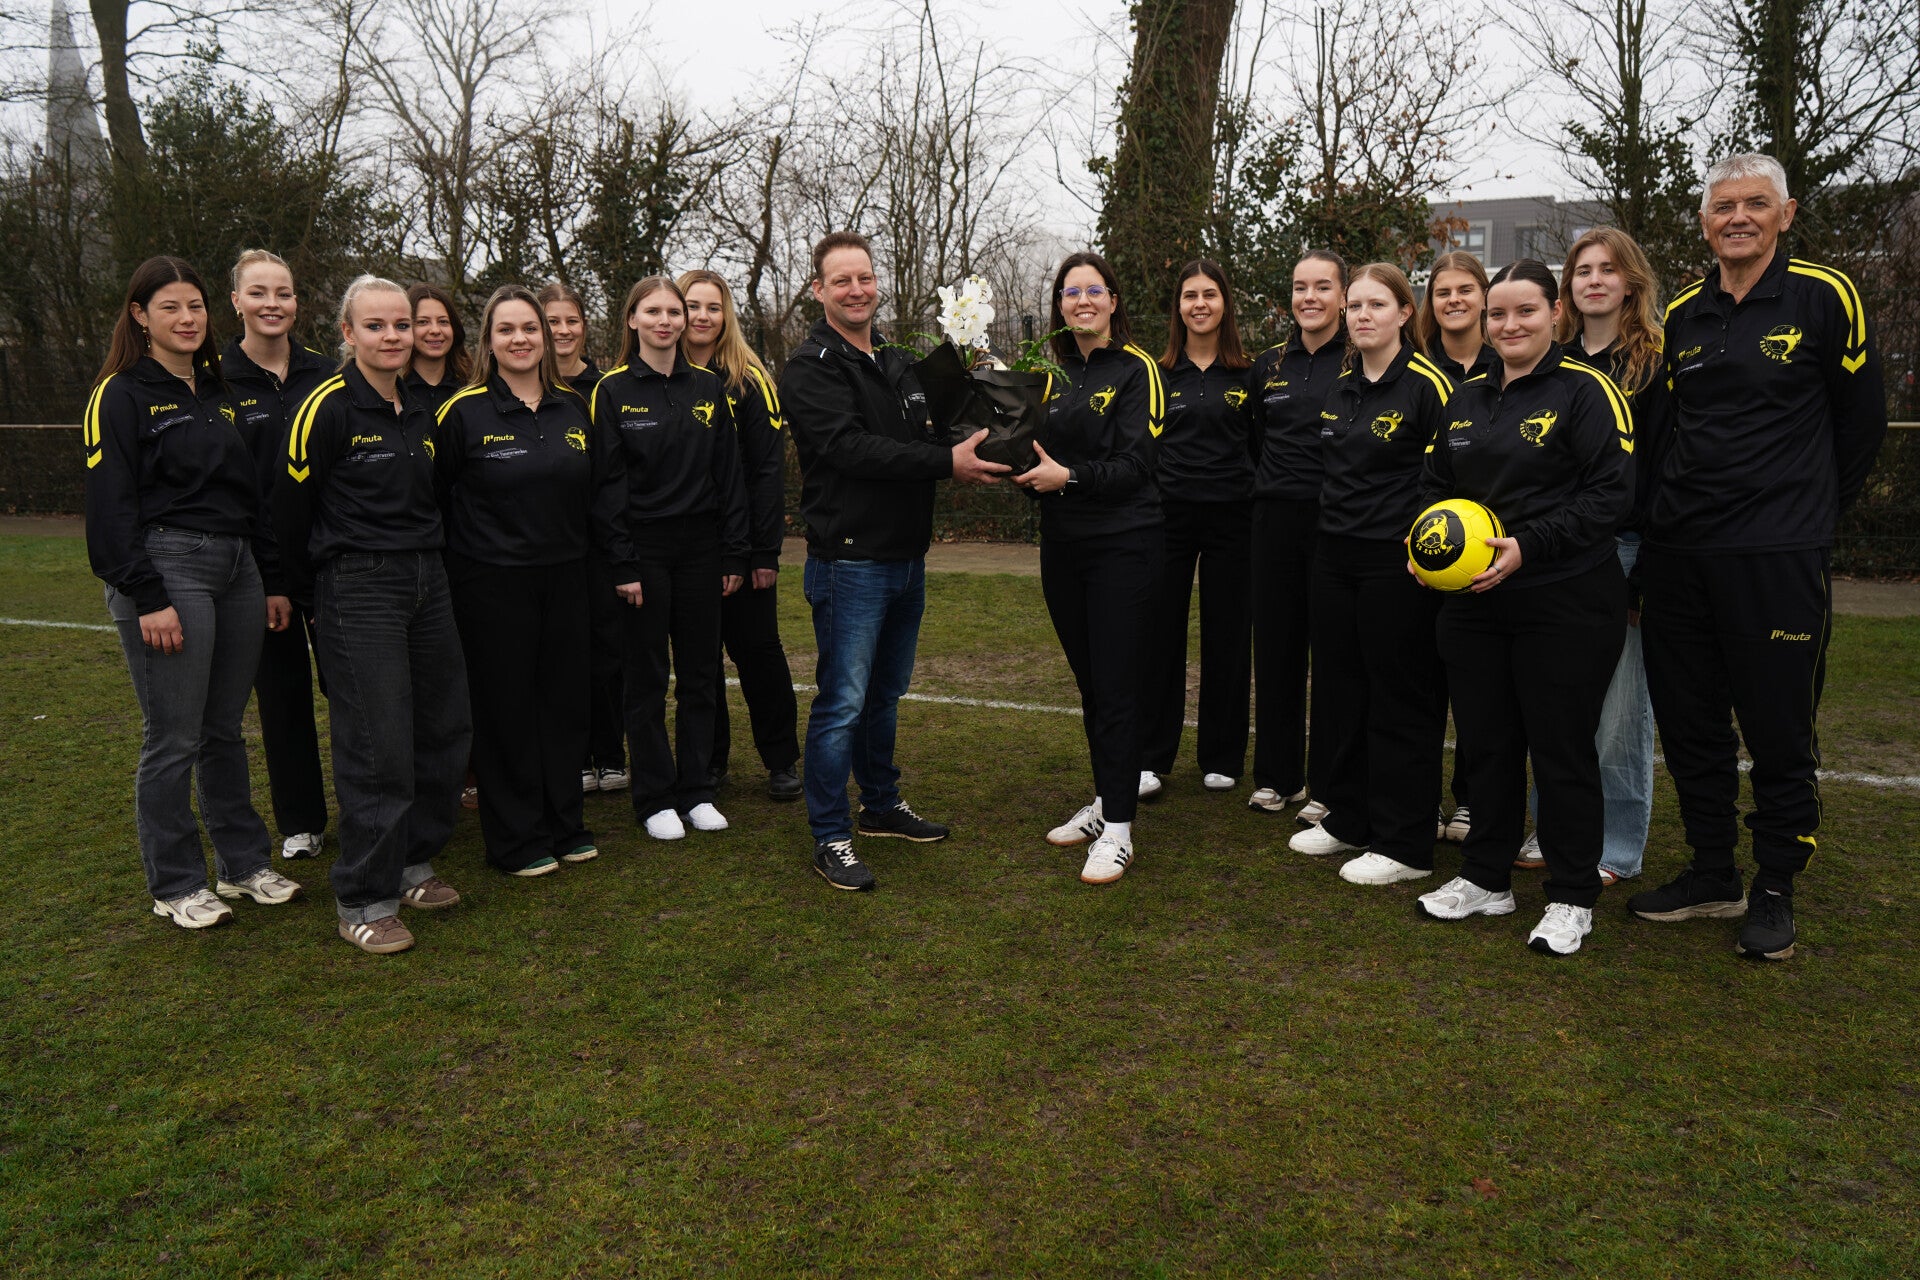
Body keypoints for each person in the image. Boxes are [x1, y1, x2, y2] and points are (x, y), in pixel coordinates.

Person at [1627, 153, 1887, 960]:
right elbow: (1665, 435)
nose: (1737, 217)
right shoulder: (1683, 311)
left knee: (1778, 727)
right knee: (1691, 723)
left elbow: (1862, 422)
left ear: (1786, 213)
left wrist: (1807, 514)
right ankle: (1713, 870)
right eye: (1723, 206)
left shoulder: (1825, 295)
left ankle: (1775, 884)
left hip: (1777, 554)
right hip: (1681, 554)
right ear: (1704, 222)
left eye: (1755, 204)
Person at [1412, 259, 1635, 956]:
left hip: (1565, 598)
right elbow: (1432, 485)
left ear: (1555, 312)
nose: (1509, 325)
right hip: (1475, 603)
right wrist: (1427, 547)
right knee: (1487, 743)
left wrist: (1529, 546)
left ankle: (1572, 895)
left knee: (1561, 747)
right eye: (1498, 314)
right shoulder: (1465, 398)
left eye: (1525, 311)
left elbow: (1610, 494)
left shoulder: (1587, 391)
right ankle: (1486, 877)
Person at [779, 230, 1011, 891]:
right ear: (819, 290)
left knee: (884, 694)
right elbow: (851, 449)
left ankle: (880, 804)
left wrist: (991, 405)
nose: (856, 290)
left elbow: (937, 428)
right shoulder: (810, 367)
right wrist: (945, 462)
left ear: (877, 284)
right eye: (841, 280)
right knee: (842, 704)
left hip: (907, 558)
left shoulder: (896, 359)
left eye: (865, 277)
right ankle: (830, 835)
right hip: (850, 562)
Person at [84, 255, 304, 928]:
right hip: (168, 567)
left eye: (196, 306)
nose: (187, 319)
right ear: (139, 315)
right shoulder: (120, 393)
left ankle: (242, 865)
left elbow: (252, 496)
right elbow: (109, 506)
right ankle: (176, 884)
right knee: (173, 736)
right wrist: (147, 596)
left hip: (239, 569)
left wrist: (270, 579)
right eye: (170, 307)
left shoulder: (218, 389)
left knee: (223, 730)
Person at [277, 275, 471, 955]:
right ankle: (363, 897)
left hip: (428, 578)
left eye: (401, 325)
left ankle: (413, 860)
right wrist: (310, 598)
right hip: (356, 587)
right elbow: (289, 514)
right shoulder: (325, 407)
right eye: (376, 325)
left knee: (444, 728)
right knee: (376, 743)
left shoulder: (420, 407)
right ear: (348, 333)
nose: (393, 336)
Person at [435, 285, 635, 877]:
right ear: (489, 342)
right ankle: (516, 839)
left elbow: (600, 496)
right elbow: (435, 502)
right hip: (491, 585)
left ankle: (565, 825)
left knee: (564, 706)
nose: (519, 339)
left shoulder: (575, 406)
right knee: (507, 712)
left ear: (545, 339)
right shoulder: (462, 412)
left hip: (568, 580)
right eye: (506, 329)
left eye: (529, 328)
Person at [1506, 228, 1675, 886]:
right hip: (1554, 551)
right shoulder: (1557, 362)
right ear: (1567, 287)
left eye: (1608, 269)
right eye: (1582, 270)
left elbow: (1664, 471)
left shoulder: (1655, 365)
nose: (1595, 280)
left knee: (1620, 712)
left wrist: (1646, 571)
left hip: (1624, 550)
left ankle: (1616, 845)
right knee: (1558, 705)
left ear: (1631, 282)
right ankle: (1556, 827)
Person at [1287, 263, 1452, 886]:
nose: (1361, 315)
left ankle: (1405, 841)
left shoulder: (1428, 385)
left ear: (1405, 312)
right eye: (1354, 305)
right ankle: (1351, 817)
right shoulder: (1342, 385)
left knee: (1399, 698)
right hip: (1335, 558)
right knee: (1342, 692)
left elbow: (1448, 480)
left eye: (1376, 304)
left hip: (1397, 562)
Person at [1017, 251, 1166, 884]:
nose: (1083, 301)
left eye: (1094, 291)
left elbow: (1138, 464)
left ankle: (1120, 831)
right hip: (1063, 547)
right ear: (1059, 305)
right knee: (1091, 683)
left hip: (1123, 546)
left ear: (1113, 301)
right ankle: (1107, 800)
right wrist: (1018, 470)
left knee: (1116, 684)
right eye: (1071, 292)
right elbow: (1033, 459)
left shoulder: (1138, 369)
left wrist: (1070, 478)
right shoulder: (1046, 376)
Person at [589, 276, 748, 841]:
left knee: (702, 675)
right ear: (632, 319)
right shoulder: (611, 391)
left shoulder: (708, 386)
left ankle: (697, 790)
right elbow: (606, 484)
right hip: (644, 552)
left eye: (673, 312)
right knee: (647, 677)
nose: (665, 321)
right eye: (652, 311)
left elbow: (729, 475)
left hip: (702, 550)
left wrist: (734, 551)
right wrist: (623, 563)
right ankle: (655, 797)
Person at [221, 248, 338, 862]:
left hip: (333, 563)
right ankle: (302, 821)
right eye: (259, 292)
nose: (273, 304)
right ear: (236, 301)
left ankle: (369, 807)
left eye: (284, 293)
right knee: (283, 696)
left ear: (297, 301)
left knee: (352, 693)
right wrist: (270, 578)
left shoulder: (328, 374)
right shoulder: (216, 378)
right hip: (262, 572)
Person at [680, 267, 803, 803]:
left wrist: (763, 552)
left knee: (757, 652)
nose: (702, 316)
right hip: (686, 547)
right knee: (699, 659)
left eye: (713, 307)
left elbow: (766, 472)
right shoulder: (659, 376)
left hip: (746, 546)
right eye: (692, 305)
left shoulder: (749, 379)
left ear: (726, 314)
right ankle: (711, 762)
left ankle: (781, 760)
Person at [1141, 259, 1253, 797]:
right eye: (1190, 295)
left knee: (1228, 636)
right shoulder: (1158, 373)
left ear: (1225, 303)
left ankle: (1222, 755)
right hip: (1169, 519)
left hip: (1234, 519)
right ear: (1178, 307)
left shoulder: (1250, 373)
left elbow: (1262, 446)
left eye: (1210, 294)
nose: (1200, 304)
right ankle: (1150, 756)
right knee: (1159, 635)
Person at [1247, 250, 1347, 821]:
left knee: (1332, 656)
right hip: (1274, 524)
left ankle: (1328, 787)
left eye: (1322, 286)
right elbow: (1257, 440)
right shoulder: (1269, 364)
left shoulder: (1359, 361)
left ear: (1343, 295)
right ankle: (1276, 777)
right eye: (1300, 286)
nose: (1310, 297)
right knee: (1276, 650)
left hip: (1335, 524)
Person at [1416, 250, 1495, 843]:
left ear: (1484, 297)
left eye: (1465, 289)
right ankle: (1418, 799)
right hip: (1427, 545)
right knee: (1422, 681)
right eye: (1443, 291)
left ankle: (1470, 800)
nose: (1454, 300)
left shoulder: (1507, 358)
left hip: (1490, 551)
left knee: (1480, 688)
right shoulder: (1416, 366)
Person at [539, 280, 626, 795]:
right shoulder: (528, 388)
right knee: (560, 654)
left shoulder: (606, 387)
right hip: (550, 543)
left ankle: (610, 754)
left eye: (571, 320)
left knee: (607, 650)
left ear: (584, 327)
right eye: (552, 321)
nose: (563, 330)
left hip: (602, 542)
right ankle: (571, 757)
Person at [404, 282, 471, 417]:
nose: (435, 330)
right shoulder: (392, 389)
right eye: (423, 322)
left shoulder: (472, 387)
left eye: (443, 321)